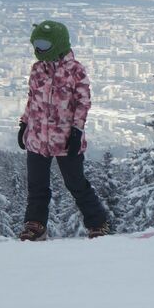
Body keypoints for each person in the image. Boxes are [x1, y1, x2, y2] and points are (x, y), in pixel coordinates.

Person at [17, 20, 110, 241]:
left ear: (57, 43)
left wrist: (77, 130)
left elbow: (83, 102)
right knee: (37, 185)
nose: (38, 49)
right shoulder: (37, 69)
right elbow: (33, 100)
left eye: (43, 44)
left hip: (65, 139)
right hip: (37, 137)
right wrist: (24, 123)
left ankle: (98, 222)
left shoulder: (75, 70)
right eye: (36, 43)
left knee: (76, 183)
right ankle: (35, 224)